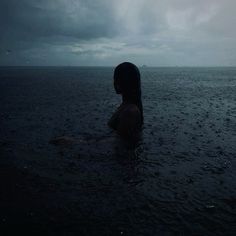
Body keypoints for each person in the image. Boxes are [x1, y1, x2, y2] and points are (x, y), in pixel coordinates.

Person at [108, 62, 143, 140]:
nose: (114, 83)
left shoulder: (129, 112)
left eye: (116, 79)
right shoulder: (126, 107)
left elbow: (120, 142)